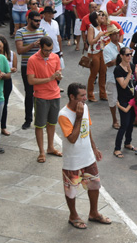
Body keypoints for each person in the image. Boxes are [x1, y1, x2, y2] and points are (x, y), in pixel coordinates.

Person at [57, 82, 111, 229]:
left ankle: (94, 213)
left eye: (85, 95)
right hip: (73, 160)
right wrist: (79, 117)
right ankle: (73, 215)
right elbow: (72, 139)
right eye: (82, 96)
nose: (85, 99)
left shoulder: (85, 107)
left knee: (94, 185)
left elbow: (88, 128)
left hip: (88, 156)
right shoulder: (63, 115)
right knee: (71, 189)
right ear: (72, 97)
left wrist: (94, 147)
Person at [27, 36, 63, 163]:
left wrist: (58, 76)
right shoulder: (32, 60)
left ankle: (50, 147)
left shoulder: (55, 57)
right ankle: (41, 151)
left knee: (52, 123)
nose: (48, 53)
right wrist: (50, 78)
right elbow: (31, 80)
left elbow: (58, 75)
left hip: (55, 95)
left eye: (50, 50)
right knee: (40, 125)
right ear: (40, 47)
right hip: (41, 96)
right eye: (46, 50)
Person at [16, 11, 48, 130]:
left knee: (42, 93)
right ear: (29, 20)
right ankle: (28, 119)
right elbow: (19, 50)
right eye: (36, 20)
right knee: (29, 94)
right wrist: (32, 45)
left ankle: (41, 119)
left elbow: (48, 47)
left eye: (39, 20)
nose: (38, 23)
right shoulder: (20, 32)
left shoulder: (42, 31)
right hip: (27, 66)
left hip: (41, 66)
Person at [113, 47, 137, 158]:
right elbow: (123, 85)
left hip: (133, 99)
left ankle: (128, 142)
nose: (129, 56)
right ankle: (117, 148)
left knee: (131, 123)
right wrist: (129, 73)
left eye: (130, 54)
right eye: (127, 55)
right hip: (124, 100)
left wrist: (136, 72)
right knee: (124, 124)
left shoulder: (131, 66)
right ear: (121, 56)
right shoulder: (118, 69)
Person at [0, 34, 17, 136]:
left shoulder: (12, 54)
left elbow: (15, 68)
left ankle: (3, 126)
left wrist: (9, 70)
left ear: (4, 42)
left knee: (4, 104)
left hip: (7, 81)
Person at [103, 25, 124, 130]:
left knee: (124, 98)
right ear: (110, 36)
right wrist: (120, 58)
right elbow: (108, 64)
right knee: (112, 100)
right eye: (115, 34)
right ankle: (115, 120)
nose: (117, 35)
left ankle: (124, 118)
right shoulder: (107, 48)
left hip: (123, 76)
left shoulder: (122, 45)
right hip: (112, 77)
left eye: (117, 33)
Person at [86, 11, 109, 102]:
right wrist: (99, 36)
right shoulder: (91, 28)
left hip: (101, 52)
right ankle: (90, 95)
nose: (102, 16)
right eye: (100, 15)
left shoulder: (100, 27)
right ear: (95, 19)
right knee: (94, 74)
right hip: (93, 53)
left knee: (103, 73)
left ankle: (103, 94)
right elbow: (90, 42)